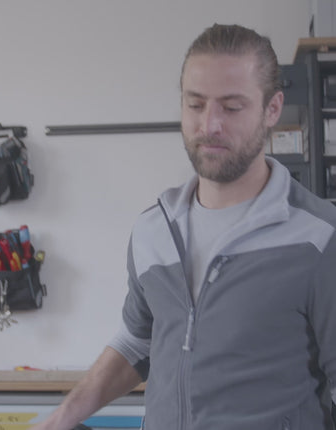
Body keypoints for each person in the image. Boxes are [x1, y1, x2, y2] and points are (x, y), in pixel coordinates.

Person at [32, 24, 336, 430]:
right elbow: (136, 343)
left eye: (232, 107)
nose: (209, 125)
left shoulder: (318, 238)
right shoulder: (154, 230)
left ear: (272, 109)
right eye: (195, 105)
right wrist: (59, 420)